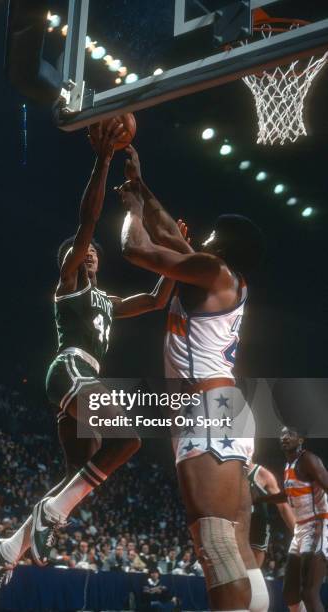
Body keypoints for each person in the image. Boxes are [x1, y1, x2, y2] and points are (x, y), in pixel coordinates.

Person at [0, 121, 174, 603]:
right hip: (70, 368)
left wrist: (173, 252)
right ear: (72, 259)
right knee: (130, 437)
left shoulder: (107, 299)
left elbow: (155, 299)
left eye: (89, 255)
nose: (84, 255)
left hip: (84, 379)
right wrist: (104, 159)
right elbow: (87, 224)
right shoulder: (68, 287)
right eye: (77, 252)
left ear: (97, 263)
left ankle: (6, 549)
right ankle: (52, 512)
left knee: (77, 476)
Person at [118, 146, 267, 611]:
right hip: (226, 409)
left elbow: (135, 248)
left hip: (206, 409)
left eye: (209, 235)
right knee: (236, 548)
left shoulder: (214, 271)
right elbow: (170, 234)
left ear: (220, 244)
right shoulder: (216, 277)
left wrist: (132, 210)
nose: (199, 238)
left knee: (216, 545)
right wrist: (142, 184)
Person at [257, 427, 328, 612]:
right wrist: (258, 499)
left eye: (290, 434)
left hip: (318, 525)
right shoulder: (289, 464)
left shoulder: (308, 460)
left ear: (301, 439)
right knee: (289, 593)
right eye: (282, 434)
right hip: (301, 529)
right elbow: (287, 495)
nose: (284, 437)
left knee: (309, 593)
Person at [248, 461, 295, 567]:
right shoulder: (224, 469)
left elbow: (282, 506)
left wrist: (297, 534)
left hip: (255, 531)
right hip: (230, 530)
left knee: (252, 573)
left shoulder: (262, 474)